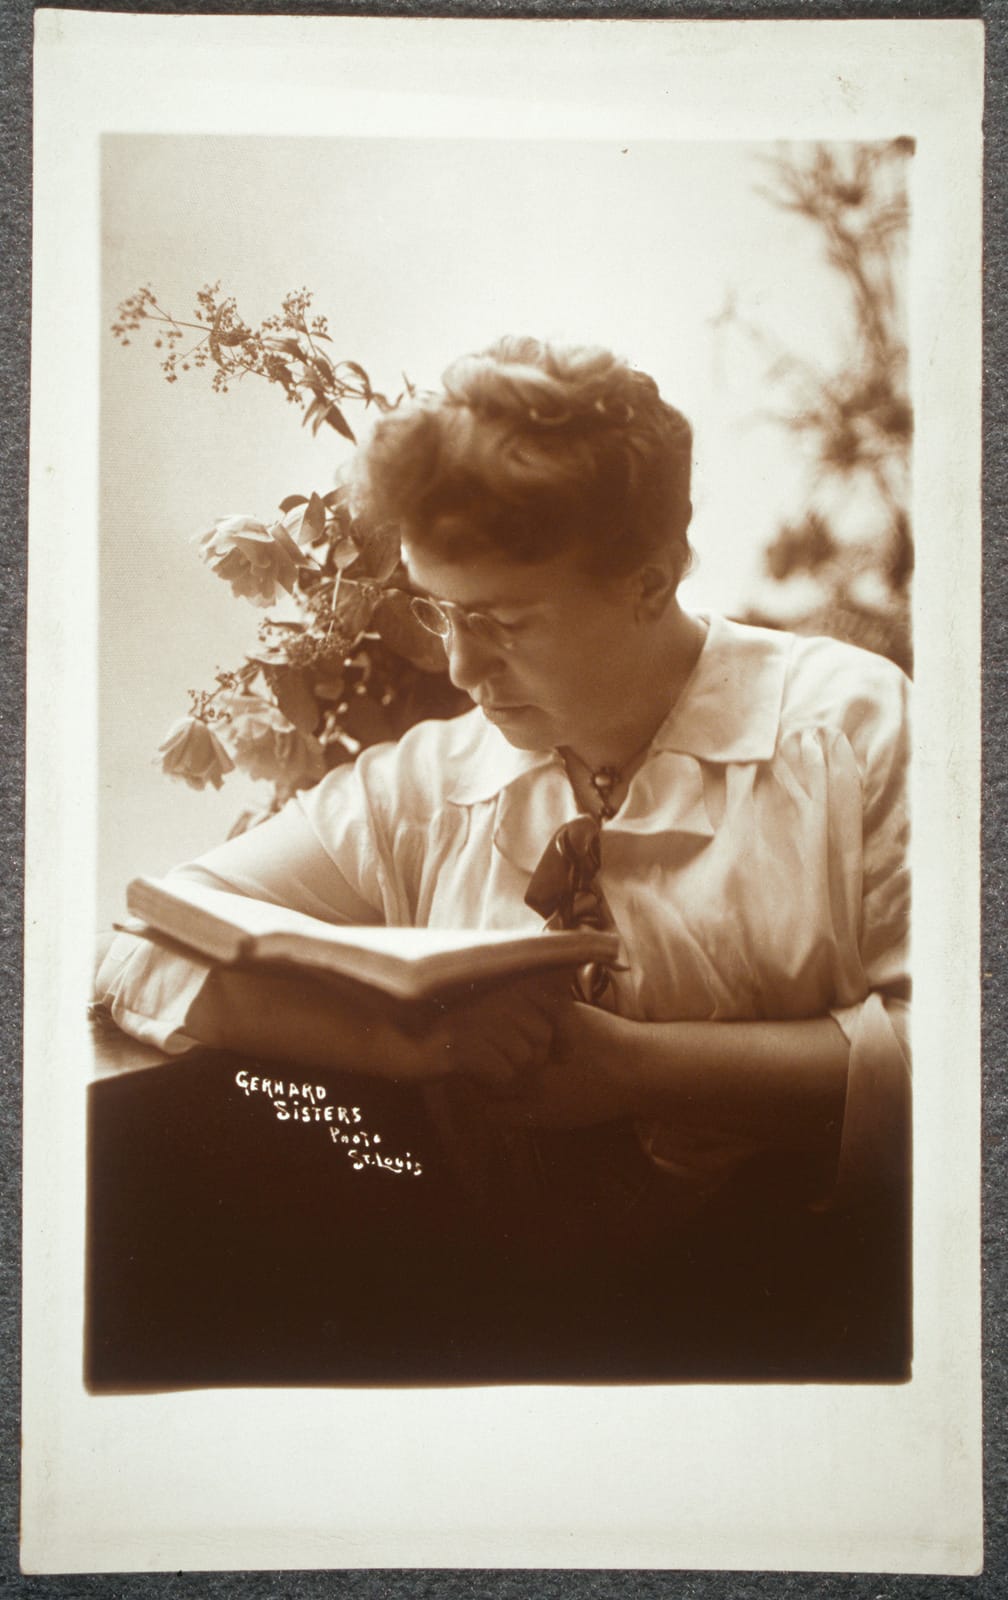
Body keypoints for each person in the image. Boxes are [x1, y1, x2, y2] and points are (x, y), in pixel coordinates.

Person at [93, 336, 911, 1383]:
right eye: (438, 610)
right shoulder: (427, 784)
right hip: (494, 1336)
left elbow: (964, 1071)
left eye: (504, 622)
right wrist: (405, 1042)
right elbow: (142, 946)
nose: (462, 666)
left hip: (817, 1338)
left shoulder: (850, 729)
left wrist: (629, 1070)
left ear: (649, 581)